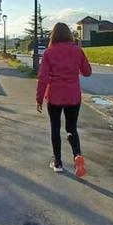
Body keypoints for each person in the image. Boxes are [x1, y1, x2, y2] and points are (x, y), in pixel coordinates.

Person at [36, 22, 92, 177]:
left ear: (53, 35)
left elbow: (43, 78)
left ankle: (58, 162)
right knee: (71, 128)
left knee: (55, 128)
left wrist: (39, 99)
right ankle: (77, 155)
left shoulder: (49, 53)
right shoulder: (78, 51)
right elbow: (87, 72)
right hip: (74, 97)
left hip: (54, 96)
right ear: (69, 34)